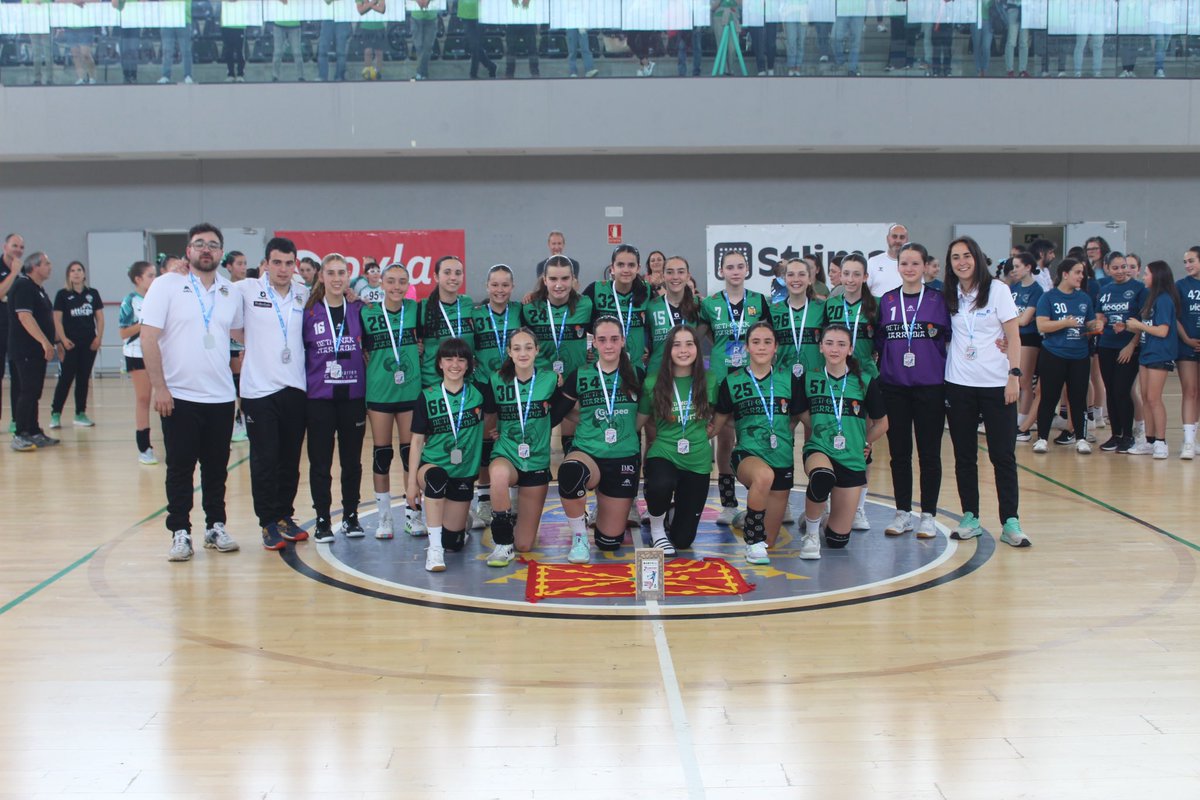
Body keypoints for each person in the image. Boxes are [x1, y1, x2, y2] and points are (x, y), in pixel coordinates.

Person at [140, 224, 242, 562]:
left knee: (216, 469)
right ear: (188, 251)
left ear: (221, 253)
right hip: (179, 396)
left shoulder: (230, 292)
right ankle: (180, 531)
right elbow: (148, 337)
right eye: (199, 244)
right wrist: (159, 387)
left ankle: (215, 526)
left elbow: (243, 333)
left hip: (220, 397)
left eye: (213, 244)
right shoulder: (166, 285)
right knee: (180, 468)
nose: (206, 249)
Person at [943, 236, 1029, 548]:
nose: (961, 262)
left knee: (1002, 455)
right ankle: (970, 516)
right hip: (958, 384)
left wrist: (1014, 376)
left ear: (977, 258)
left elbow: (1013, 336)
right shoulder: (948, 294)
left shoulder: (998, 290)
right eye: (955, 257)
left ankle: (1010, 521)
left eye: (966, 255)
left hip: (996, 384)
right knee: (964, 456)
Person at [234, 237, 310, 550]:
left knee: (290, 459)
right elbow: (231, 325)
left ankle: (284, 516)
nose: (282, 269)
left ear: (295, 265)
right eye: (276, 262)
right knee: (265, 458)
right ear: (265, 264)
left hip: (295, 387)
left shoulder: (303, 293)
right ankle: (267, 521)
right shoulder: (246, 289)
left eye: (288, 263)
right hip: (259, 390)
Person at [874, 243, 950, 540]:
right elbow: (881, 342)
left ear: (925, 267)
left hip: (930, 387)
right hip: (894, 387)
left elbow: (950, 340)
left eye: (915, 263)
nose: (909, 268)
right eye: (904, 263)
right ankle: (903, 512)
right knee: (899, 453)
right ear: (898, 267)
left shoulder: (938, 300)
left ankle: (928, 515)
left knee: (929, 454)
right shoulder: (887, 300)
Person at [711, 322, 804, 564]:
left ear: (776, 347)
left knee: (769, 541)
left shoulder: (789, 379)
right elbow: (716, 425)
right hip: (747, 454)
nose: (761, 347)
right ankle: (752, 541)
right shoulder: (732, 381)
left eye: (767, 342)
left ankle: (750, 517)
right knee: (763, 477)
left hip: (782, 457)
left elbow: (804, 418)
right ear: (747, 347)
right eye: (755, 342)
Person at [794, 322, 889, 560]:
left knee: (837, 540)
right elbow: (800, 411)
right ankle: (811, 536)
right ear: (820, 347)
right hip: (820, 449)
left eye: (841, 344)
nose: (834, 349)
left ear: (850, 349)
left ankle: (818, 518)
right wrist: (820, 427)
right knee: (821, 476)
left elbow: (882, 424)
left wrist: (864, 443)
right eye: (829, 343)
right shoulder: (809, 377)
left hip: (851, 456)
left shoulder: (865, 381)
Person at [556, 316, 644, 564]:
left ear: (623, 341)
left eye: (614, 339)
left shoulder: (637, 374)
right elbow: (558, 413)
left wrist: (626, 430)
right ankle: (579, 538)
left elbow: (645, 413)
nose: (608, 345)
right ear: (593, 342)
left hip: (623, 457)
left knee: (609, 542)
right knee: (571, 472)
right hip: (588, 453)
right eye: (602, 340)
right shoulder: (580, 374)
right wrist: (586, 419)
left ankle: (602, 507)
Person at [480, 328, 564, 566]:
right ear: (509, 352)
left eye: (528, 347)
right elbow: (489, 416)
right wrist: (493, 430)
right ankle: (502, 544)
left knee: (525, 544)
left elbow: (561, 413)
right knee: (498, 475)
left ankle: (512, 512)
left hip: (536, 460)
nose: (523, 353)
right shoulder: (497, 379)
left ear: (537, 350)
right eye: (517, 348)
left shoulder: (551, 380)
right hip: (507, 452)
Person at [701, 249, 771, 528]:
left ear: (747, 270)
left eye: (739, 266)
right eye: (729, 267)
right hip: (722, 378)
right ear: (721, 271)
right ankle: (729, 504)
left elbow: (767, 336)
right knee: (725, 439)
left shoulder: (758, 301)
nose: (735, 271)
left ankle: (762, 498)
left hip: (751, 377)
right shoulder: (710, 304)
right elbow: (705, 332)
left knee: (752, 435)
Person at [303, 254, 367, 542]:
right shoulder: (308, 312)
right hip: (319, 398)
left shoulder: (359, 309)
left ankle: (351, 516)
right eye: (331, 273)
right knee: (320, 463)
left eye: (342, 273)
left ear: (348, 276)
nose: (337, 278)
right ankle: (322, 520)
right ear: (321, 277)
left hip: (353, 397)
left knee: (351, 462)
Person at [636, 325, 716, 555]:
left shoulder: (710, 380)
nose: (683, 350)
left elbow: (719, 413)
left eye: (689, 344)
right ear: (668, 350)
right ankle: (657, 531)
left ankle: (671, 512)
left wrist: (711, 431)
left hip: (698, 461)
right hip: (664, 453)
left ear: (697, 348)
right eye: (676, 345)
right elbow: (639, 422)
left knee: (683, 540)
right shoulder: (653, 383)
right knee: (661, 483)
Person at [407, 338, 486, 572]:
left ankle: (462, 521)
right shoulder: (427, 396)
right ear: (440, 363)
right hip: (432, 466)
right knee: (437, 478)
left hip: (463, 473)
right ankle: (434, 550)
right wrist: (411, 484)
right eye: (449, 359)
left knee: (454, 543)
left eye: (461, 360)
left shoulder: (479, 394)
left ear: (469, 364)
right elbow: (417, 441)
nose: (455, 365)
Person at [362, 263, 423, 538]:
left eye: (402, 281)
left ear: (408, 284)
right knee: (382, 454)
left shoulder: (415, 310)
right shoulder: (367, 312)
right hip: (380, 393)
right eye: (391, 281)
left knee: (411, 455)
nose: (397, 286)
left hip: (410, 392)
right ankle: (384, 518)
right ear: (382, 283)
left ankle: (413, 514)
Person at [822, 252, 878, 531]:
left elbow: (882, 341)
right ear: (839, 276)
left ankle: (859, 507)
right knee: (830, 438)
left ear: (865, 277)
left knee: (863, 445)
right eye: (846, 274)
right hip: (834, 378)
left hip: (863, 378)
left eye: (857, 274)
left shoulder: (875, 306)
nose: (851, 279)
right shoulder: (831, 304)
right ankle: (829, 505)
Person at [521, 255, 593, 456]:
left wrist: (593, 355)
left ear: (573, 279)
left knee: (572, 443)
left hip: (574, 381)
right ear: (544, 280)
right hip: (541, 382)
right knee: (536, 441)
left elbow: (604, 330)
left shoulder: (586, 305)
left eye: (565, 278)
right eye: (553, 279)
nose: (559, 285)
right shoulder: (530, 307)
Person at [470, 264, 522, 529]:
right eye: (495, 284)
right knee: (486, 442)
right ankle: (484, 500)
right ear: (487, 286)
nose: (500, 290)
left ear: (512, 287)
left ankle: (514, 497)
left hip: (516, 383)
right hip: (485, 384)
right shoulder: (475, 314)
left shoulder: (521, 311)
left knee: (515, 436)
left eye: (505, 285)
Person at [1033, 258, 1102, 455]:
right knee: (1049, 397)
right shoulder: (1048, 297)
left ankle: (1081, 438)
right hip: (1053, 354)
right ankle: (1042, 438)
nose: (1081, 276)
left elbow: (1088, 324)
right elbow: (1042, 325)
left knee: (1078, 398)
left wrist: (1096, 325)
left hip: (1079, 355)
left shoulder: (1084, 299)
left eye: (1082, 273)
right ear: (1065, 274)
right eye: (1077, 272)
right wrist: (1064, 323)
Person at [1122, 261, 1183, 459]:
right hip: (1147, 352)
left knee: (1154, 399)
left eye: (1146, 273)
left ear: (1157, 276)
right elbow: (1147, 325)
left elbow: (1163, 331)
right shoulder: (1151, 298)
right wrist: (1128, 327)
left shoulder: (1164, 300)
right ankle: (1149, 440)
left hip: (1160, 353)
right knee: (1146, 397)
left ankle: (1161, 442)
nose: (1143, 277)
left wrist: (1140, 325)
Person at [8, 252, 58, 452]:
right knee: (27, 391)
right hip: (25, 349)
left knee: (35, 392)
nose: (50, 266)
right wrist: (44, 342)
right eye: (46, 263)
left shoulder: (38, 289)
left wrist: (56, 342)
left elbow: (46, 319)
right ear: (35, 267)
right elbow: (25, 317)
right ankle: (20, 434)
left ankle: (34, 431)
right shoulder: (23, 286)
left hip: (37, 352)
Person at [1094, 252, 1144, 453]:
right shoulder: (1105, 290)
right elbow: (1099, 315)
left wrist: (1131, 345)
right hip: (1106, 346)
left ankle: (1128, 436)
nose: (1121, 271)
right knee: (1111, 390)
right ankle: (1116, 434)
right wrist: (1099, 322)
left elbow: (1143, 321)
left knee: (1122, 390)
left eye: (1124, 266)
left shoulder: (1139, 289)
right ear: (1107, 269)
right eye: (1115, 268)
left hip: (1128, 348)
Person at [50, 260, 104, 430]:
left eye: (79, 270)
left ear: (84, 273)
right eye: (72, 270)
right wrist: (63, 339)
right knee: (65, 379)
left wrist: (98, 338)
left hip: (89, 344)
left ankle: (80, 413)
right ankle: (55, 414)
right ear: (68, 275)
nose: (76, 273)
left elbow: (100, 318)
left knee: (83, 378)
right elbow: (57, 320)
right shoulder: (62, 295)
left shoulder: (92, 293)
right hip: (70, 344)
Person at [119, 261, 158, 464]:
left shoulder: (159, 298)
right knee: (143, 398)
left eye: (155, 274)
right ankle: (144, 447)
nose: (154, 279)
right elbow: (123, 332)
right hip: (136, 353)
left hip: (158, 352)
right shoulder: (130, 301)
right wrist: (144, 323)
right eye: (150, 275)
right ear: (138, 279)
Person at [418, 256, 475, 387]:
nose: (453, 277)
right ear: (436, 277)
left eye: (458, 273)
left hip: (465, 383)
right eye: (447, 272)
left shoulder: (467, 303)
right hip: (433, 384)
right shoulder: (422, 308)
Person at [1006, 252, 1044, 441]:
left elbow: (1025, 319)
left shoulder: (1037, 290)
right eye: (1013, 266)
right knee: (1012, 378)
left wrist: (1013, 320)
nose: (1014, 270)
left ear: (1028, 267)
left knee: (1024, 381)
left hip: (1029, 339)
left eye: (1017, 266)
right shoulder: (1013, 288)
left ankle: (1023, 424)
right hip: (1013, 337)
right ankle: (1016, 420)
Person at [645, 255, 701, 378]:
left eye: (681, 272)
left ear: (688, 276)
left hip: (689, 373)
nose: (675, 277)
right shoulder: (651, 306)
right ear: (663, 276)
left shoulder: (699, 305)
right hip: (658, 372)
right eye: (670, 272)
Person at [1176, 247, 1200, 460]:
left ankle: (1194, 438)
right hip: (1187, 346)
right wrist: (1186, 339)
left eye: (1191, 261)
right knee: (1189, 391)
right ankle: (1188, 441)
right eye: (1185, 262)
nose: (1187, 265)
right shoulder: (1181, 286)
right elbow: (1174, 317)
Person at [223, 251, 249, 442]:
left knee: (242, 384)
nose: (243, 267)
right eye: (239, 263)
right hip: (227, 344)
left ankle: (244, 420)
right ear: (229, 266)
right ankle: (236, 422)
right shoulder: (224, 289)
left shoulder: (249, 288)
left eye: (245, 263)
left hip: (244, 343)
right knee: (232, 384)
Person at [1, 233, 24, 433]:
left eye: (21, 247)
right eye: (15, 245)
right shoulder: (13, 270)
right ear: (5, 247)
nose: (18, 250)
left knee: (18, 375)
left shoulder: (23, 271)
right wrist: (13, 273)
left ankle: (17, 419)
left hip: (17, 331)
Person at [457, 0, 498, 79]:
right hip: (466, 12)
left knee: (475, 45)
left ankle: (473, 74)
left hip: (480, 12)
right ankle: (490, 66)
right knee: (473, 45)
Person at [866, 223, 909, 297]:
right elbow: (864, 291)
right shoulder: (872, 262)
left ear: (907, 240)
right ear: (887, 238)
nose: (898, 240)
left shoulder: (913, 265)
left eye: (902, 237)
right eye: (894, 236)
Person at [357, 0, 387, 80]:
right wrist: (374, 3)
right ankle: (368, 73)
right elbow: (360, 10)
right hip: (365, 26)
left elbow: (381, 9)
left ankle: (377, 73)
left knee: (379, 52)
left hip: (379, 27)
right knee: (368, 51)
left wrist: (367, 4)